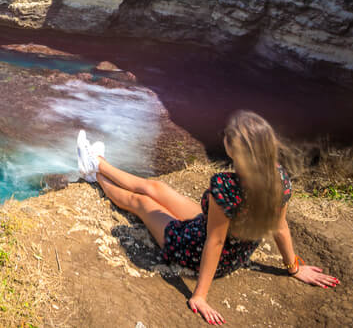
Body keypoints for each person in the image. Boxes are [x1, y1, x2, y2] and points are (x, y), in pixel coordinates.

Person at [76, 111, 339, 325]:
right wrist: (293, 267)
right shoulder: (278, 178)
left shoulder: (226, 187)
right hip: (224, 242)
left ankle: (94, 175)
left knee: (142, 203)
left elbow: (214, 241)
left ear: (234, 151)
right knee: (158, 189)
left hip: (192, 247)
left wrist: (200, 295)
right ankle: (98, 161)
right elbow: (280, 228)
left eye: (227, 137)